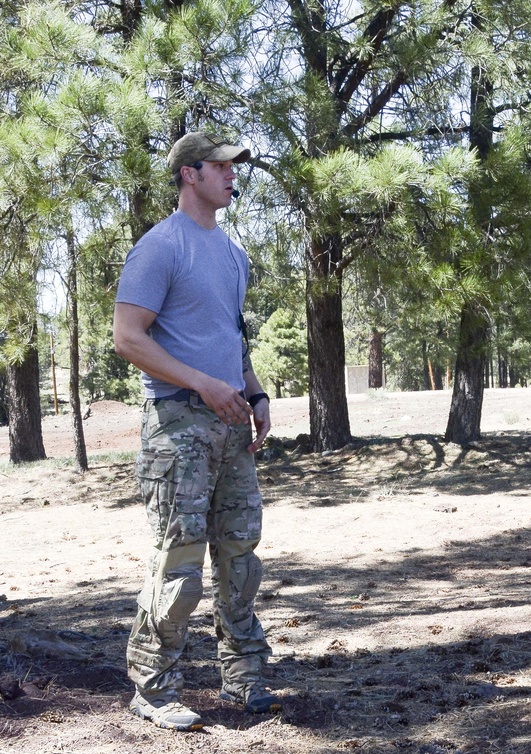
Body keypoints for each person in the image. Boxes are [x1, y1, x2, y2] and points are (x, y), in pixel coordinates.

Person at [113, 131, 280, 731]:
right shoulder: (160, 247)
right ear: (190, 174)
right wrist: (203, 385)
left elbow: (232, 342)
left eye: (236, 166)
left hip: (231, 423)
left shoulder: (233, 255)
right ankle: (153, 687)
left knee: (240, 554)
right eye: (223, 166)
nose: (234, 175)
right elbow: (128, 337)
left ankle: (243, 674)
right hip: (178, 424)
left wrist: (254, 391)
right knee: (179, 562)